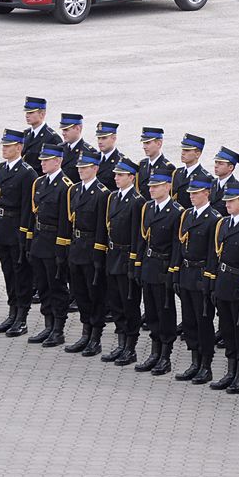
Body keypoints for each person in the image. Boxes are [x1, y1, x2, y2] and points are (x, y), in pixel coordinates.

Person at [0, 129, 38, 337]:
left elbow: (28, 207)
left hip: (17, 227)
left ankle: (22, 316)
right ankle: (12, 311)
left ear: (19, 148)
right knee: (8, 272)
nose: (4, 149)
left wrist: (25, 233)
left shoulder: (28, 173)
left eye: (8, 146)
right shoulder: (0, 169)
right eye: (3, 145)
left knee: (21, 274)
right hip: (2, 227)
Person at [60, 149, 110, 357]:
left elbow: (101, 228)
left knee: (95, 294)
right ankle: (85, 332)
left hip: (91, 249)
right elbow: (67, 222)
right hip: (76, 247)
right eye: (79, 168)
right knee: (80, 293)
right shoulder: (75, 190)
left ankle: (95, 337)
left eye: (85, 168)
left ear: (95, 169)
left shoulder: (102, 193)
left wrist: (99, 257)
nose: (80, 171)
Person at [173, 173, 220, 384]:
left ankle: (206, 365)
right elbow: (179, 245)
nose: (191, 196)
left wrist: (209, 279)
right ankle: (194, 360)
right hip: (187, 274)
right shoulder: (187, 215)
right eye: (190, 193)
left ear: (207, 193)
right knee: (190, 321)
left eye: (196, 193)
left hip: (202, 275)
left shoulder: (214, 219)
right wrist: (175, 270)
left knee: (204, 322)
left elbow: (213, 253)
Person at [134, 167, 182, 374]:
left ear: (168, 187)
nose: (151, 189)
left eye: (156, 186)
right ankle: (154, 352)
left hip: (163, 267)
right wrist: (137, 264)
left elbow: (176, 246)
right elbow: (142, 239)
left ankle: (165, 355)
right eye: (150, 186)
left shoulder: (176, 212)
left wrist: (173, 271)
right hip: (149, 265)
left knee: (165, 312)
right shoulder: (148, 208)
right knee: (151, 312)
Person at [210, 181, 239, 393]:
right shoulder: (224, 224)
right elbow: (215, 255)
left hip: (238, 285)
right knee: (227, 329)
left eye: (231, 201)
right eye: (226, 201)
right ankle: (230, 371)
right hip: (223, 282)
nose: (227, 204)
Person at [100, 157, 146, 365]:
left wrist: (135, 262)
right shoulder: (113, 197)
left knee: (129, 304)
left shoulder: (137, 202)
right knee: (116, 302)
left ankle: (130, 347)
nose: (116, 178)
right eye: (116, 174)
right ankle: (120, 343)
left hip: (127, 257)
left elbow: (139, 235)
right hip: (113, 256)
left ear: (131, 177)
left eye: (120, 175)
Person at [27, 144, 73, 348]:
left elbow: (65, 222)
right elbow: (33, 214)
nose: (42, 163)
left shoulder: (65, 186)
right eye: (42, 160)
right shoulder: (39, 183)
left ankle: (58, 328)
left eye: (47, 160)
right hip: (39, 240)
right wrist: (29, 240)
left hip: (54, 242)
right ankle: (48, 323)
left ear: (58, 161)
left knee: (57, 287)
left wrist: (61, 250)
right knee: (43, 286)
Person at [21, 97, 61, 173]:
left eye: (31, 112)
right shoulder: (26, 134)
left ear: (42, 114)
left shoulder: (52, 138)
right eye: (27, 112)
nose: (27, 116)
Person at [170, 133, 209, 209]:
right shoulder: (177, 172)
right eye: (183, 149)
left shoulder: (205, 177)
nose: (183, 153)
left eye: (187, 150)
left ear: (197, 154)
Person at [136, 127, 174, 200]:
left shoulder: (168, 167)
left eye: (147, 143)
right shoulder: (142, 164)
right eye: (144, 143)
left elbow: (169, 195)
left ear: (159, 144)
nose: (144, 147)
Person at [59, 113, 95, 183]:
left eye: (66, 130)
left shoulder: (88, 152)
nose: (63, 133)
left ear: (77, 129)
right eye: (63, 130)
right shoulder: (60, 148)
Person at [209, 146, 239, 216]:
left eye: (220, 163)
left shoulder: (236, 188)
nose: (216, 166)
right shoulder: (211, 183)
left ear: (230, 167)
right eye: (216, 162)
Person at [95, 122, 123, 191]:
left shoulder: (120, 162)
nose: (100, 142)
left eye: (104, 138)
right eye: (99, 138)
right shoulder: (93, 158)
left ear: (114, 138)